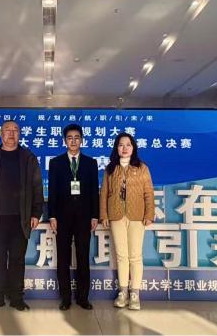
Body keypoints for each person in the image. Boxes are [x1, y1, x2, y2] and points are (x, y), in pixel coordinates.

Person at [0, 120, 43, 311]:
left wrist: (36, 212)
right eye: (7, 130)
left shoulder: (28, 158)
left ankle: (16, 298)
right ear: (1, 134)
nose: (11, 133)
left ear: (19, 134)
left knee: (17, 260)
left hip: (21, 219)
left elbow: (37, 187)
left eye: (15, 130)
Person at [99, 132, 154, 311]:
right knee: (121, 256)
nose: (124, 148)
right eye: (121, 145)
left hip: (137, 216)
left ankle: (135, 294)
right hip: (116, 216)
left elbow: (148, 192)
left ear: (133, 148)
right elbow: (104, 193)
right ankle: (122, 292)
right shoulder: (110, 169)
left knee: (135, 256)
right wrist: (104, 215)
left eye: (128, 145)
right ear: (116, 148)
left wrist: (149, 214)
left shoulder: (142, 168)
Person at [47, 124, 99, 311]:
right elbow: (52, 191)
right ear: (65, 141)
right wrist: (52, 215)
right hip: (62, 217)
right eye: (70, 138)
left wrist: (95, 215)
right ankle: (65, 298)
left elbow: (94, 191)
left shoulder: (91, 163)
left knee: (83, 256)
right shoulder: (56, 163)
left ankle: (83, 298)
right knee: (63, 258)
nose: (73, 141)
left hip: (84, 217)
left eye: (77, 137)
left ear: (82, 140)